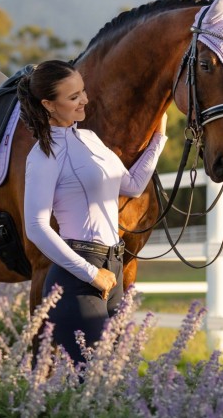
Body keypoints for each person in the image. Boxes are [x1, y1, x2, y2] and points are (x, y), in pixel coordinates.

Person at [16, 60, 167, 365]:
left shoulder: (89, 139)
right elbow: (36, 226)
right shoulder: (43, 156)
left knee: (109, 383)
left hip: (112, 268)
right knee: (96, 380)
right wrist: (91, 274)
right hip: (78, 276)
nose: (84, 100)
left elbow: (133, 185)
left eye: (82, 92)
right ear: (48, 105)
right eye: (73, 97)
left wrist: (159, 138)